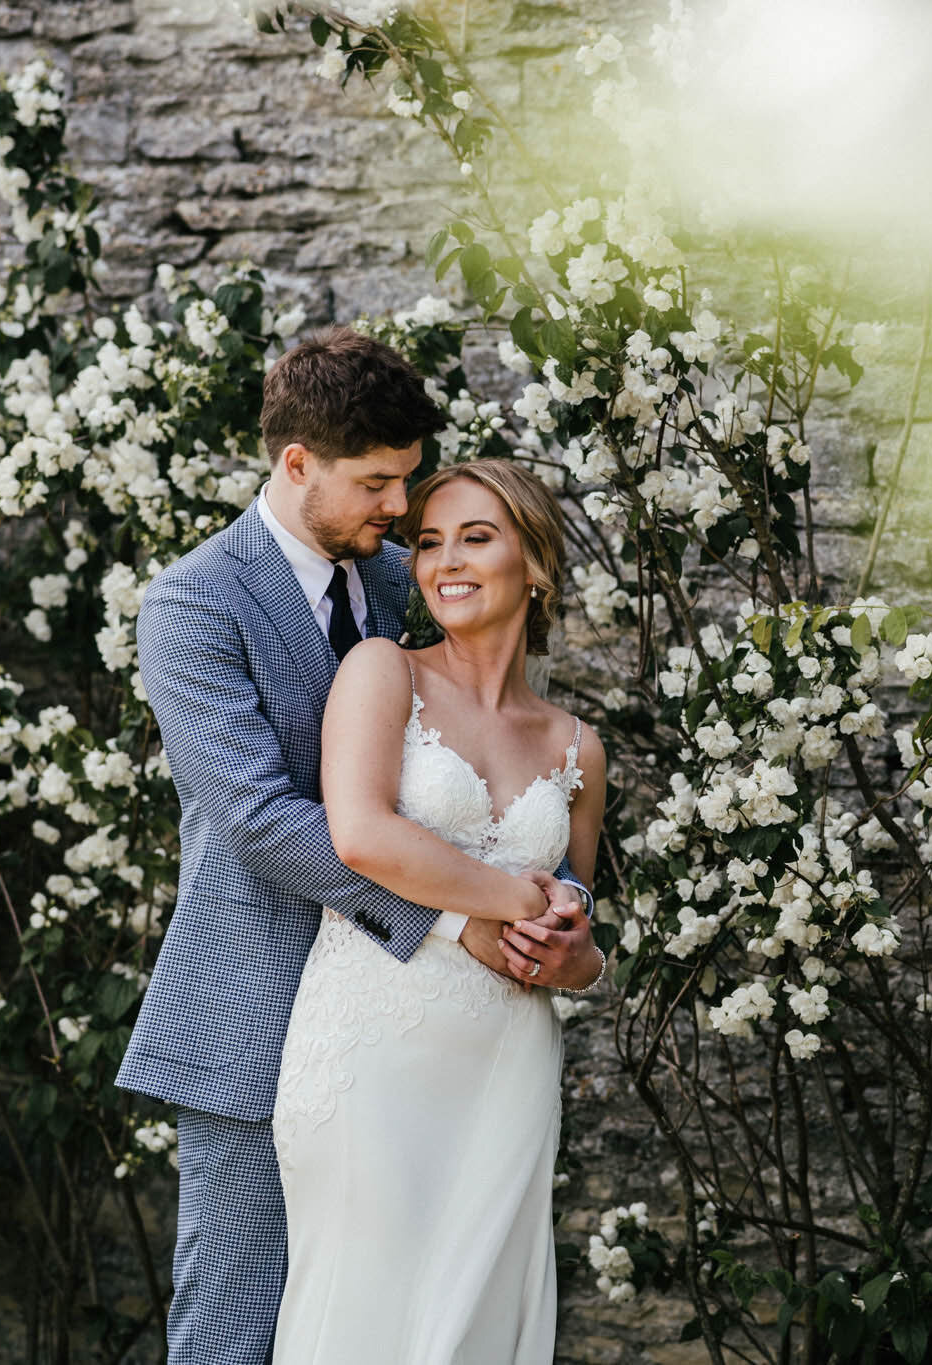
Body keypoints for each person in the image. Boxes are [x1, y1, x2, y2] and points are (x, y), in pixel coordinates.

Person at [116, 328, 599, 1365]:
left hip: (423, 1040)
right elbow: (256, 819)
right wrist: (454, 916)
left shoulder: (394, 580)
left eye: (409, 486)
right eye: (378, 484)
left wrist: (563, 921)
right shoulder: (193, 604)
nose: (401, 513)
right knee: (238, 1325)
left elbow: (480, 758)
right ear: (297, 465)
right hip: (257, 1010)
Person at [269, 457, 605, 1363]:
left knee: (479, 1329)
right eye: (427, 542)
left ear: (534, 563)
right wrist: (508, 900)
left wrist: (581, 957)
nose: (445, 560)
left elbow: (581, 904)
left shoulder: (577, 744)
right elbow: (362, 835)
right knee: (360, 1321)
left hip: (505, 1066)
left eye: (476, 537)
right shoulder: (383, 672)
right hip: (372, 1053)